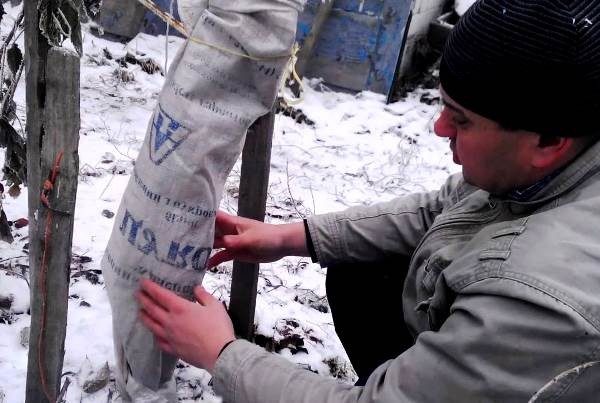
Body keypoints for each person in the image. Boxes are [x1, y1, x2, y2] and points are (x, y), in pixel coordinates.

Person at [136, 0, 600, 401]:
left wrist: (222, 355)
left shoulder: (537, 300)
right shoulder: (560, 157)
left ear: (549, 140)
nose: (439, 129)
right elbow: (442, 210)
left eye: (461, 120)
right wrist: (291, 238)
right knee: (360, 270)